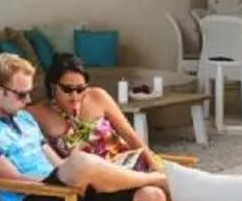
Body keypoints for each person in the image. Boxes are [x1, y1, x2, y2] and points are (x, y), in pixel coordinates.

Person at [0, 54, 168, 201]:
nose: (28, 101)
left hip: (64, 190)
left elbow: (58, 163)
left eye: (29, 94)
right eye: (21, 95)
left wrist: (89, 176)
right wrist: (74, 176)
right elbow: (14, 181)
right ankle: (159, 178)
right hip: (32, 198)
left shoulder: (23, 119)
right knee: (80, 161)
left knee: (151, 196)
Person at [28, 53, 159, 173]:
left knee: (167, 182)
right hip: (95, 178)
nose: (75, 96)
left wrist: (153, 165)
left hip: (127, 165)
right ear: (53, 86)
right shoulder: (40, 113)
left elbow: (130, 135)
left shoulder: (97, 96)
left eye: (80, 89)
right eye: (67, 89)